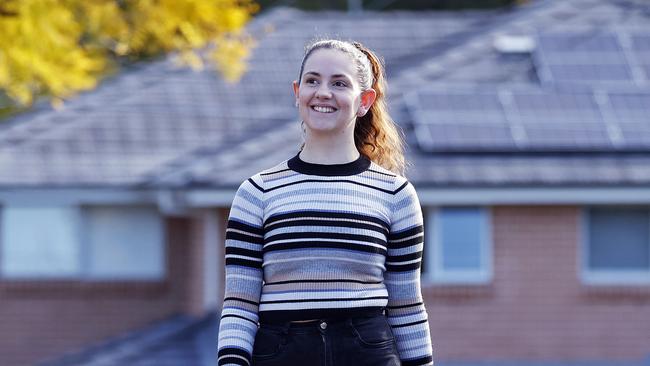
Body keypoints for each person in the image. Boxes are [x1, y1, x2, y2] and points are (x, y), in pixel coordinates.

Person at [217, 39, 434, 366]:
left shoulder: (396, 195)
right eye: (313, 80)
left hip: (368, 353)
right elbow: (239, 304)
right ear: (297, 92)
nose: (323, 92)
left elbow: (407, 306)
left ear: (365, 101)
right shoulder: (256, 193)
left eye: (339, 83)